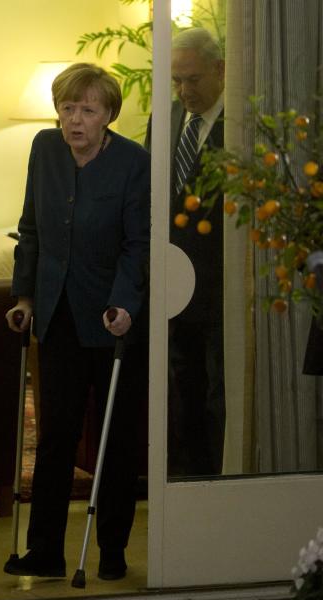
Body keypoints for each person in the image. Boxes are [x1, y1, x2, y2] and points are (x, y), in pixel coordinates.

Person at [3, 63, 150, 581]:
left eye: (88, 110)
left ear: (108, 115)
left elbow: (138, 245)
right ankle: (44, 550)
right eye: (68, 108)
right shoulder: (44, 150)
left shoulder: (134, 162)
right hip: (59, 314)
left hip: (114, 319)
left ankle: (112, 547)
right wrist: (24, 296)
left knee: (114, 439)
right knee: (55, 437)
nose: (75, 120)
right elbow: (30, 228)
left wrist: (124, 304)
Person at [146, 27, 226, 477]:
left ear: (220, 70)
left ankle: (219, 484)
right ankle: (187, 488)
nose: (183, 90)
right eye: (177, 80)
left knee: (219, 395)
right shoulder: (167, 117)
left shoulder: (240, 126)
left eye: (192, 79)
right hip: (175, 289)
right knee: (183, 395)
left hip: (221, 285)